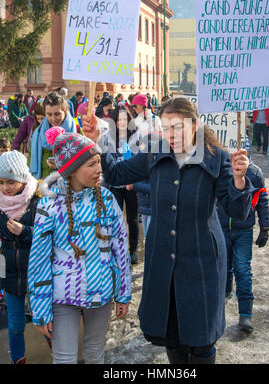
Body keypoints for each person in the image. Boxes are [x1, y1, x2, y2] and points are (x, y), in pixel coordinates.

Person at [82, 97, 254, 364]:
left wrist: (240, 181)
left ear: (194, 125)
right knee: (171, 334)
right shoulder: (155, 152)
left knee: (201, 340)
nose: (170, 135)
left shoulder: (216, 158)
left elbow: (238, 211)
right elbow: (116, 175)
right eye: (165, 127)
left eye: (177, 127)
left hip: (202, 264)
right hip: (164, 262)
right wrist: (98, 141)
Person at [27, 127, 131, 364]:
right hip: (64, 297)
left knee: (95, 354)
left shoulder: (107, 200)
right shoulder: (49, 205)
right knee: (64, 358)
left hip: (101, 293)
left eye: (98, 162)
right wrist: (41, 308)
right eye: (91, 164)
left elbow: (120, 249)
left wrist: (123, 293)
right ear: (72, 170)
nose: (99, 169)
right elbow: (39, 261)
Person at [217, 157, 269, 333]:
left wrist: (265, 227)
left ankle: (245, 314)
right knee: (223, 267)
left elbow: (262, 199)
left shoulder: (254, 172)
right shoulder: (220, 168)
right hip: (221, 227)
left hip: (243, 230)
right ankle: (224, 295)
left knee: (242, 268)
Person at [0, 150, 40, 364]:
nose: (6, 187)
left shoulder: (37, 202)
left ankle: (60, 354)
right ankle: (18, 360)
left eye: (11, 181)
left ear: (23, 180)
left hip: (37, 272)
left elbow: (50, 234)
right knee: (15, 325)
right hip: (10, 274)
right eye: (2, 182)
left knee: (44, 321)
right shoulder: (0, 205)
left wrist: (25, 231)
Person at [104, 105, 140, 264]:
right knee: (115, 218)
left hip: (131, 183)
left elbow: (140, 158)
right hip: (115, 183)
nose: (122, 123)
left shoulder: (136, 135)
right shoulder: (108, 136)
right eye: (118, 120)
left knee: (132, 218)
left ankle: (133, 250)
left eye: (125, 119)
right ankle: (116, 249)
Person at [30, 92, 76, 180]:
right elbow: (30, 160)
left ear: (65, 111)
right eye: (49, 114)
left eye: (57, 114)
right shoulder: (38, 132)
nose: (53, 119)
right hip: (43, 184)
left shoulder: (76, 129)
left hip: (68, 185)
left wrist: (62, 165)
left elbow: (85, 161)